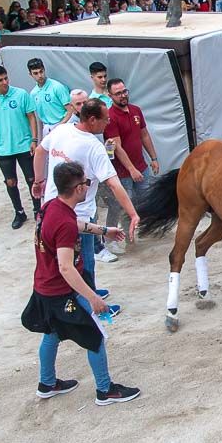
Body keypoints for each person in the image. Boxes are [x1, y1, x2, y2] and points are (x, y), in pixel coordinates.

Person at [22, 161, 140, 405]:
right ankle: (105, 390)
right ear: (77, 188)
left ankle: (47, 383)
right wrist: (92, 297)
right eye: (86, 182)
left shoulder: (51, 206)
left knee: (52, 332)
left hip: (42, 286)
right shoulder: (63, 222)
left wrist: (101, 230)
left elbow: (68, 225)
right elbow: (65, 266)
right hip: (62, 292)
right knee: (94, 335)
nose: (88, 185)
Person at [33, 99, 140, 298]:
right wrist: (133, 214)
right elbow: (113, 184)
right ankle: (89, 300)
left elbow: (40, 151)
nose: (107, 123)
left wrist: (38, 181)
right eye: (105, 119)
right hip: (79, 215)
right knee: (83, 263)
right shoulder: (94, 147)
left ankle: (82, 294)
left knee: (56, 259)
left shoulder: (61, 130)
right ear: (92, 120)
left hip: (49, 209)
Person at [101, 77, 159, 255]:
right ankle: (115, 238)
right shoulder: (110, 117)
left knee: (147, 198)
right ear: (110, 96)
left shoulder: (136, 110)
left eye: (124, 91)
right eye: (118, 93)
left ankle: (145, 230)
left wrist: (154, 157)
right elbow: (116, 147)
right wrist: (131, 169)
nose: (123, 95)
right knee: (120, 206)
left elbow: (144, 135)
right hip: (122, 172)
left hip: (141, 166)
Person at [0, 65, 40, 229]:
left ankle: (38, 210)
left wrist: (34, 140)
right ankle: (19, 212)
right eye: (0, 80)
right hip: (3, 148)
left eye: (6, 78)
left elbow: (31, 117)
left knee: (32, 179)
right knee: (10, 182)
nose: (5, 82)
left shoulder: (21, 94)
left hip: (24, 145)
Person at [27, 58, 72, 138]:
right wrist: (40, 138)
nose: (40, 76)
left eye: (41, 71)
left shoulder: (57, 87)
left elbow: (70, 110)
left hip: (63, 125)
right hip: (47, 129)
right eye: (35, 73)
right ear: (30, 74)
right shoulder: (33, 93)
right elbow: (40, 118)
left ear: (44, 70)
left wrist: (59, 126)